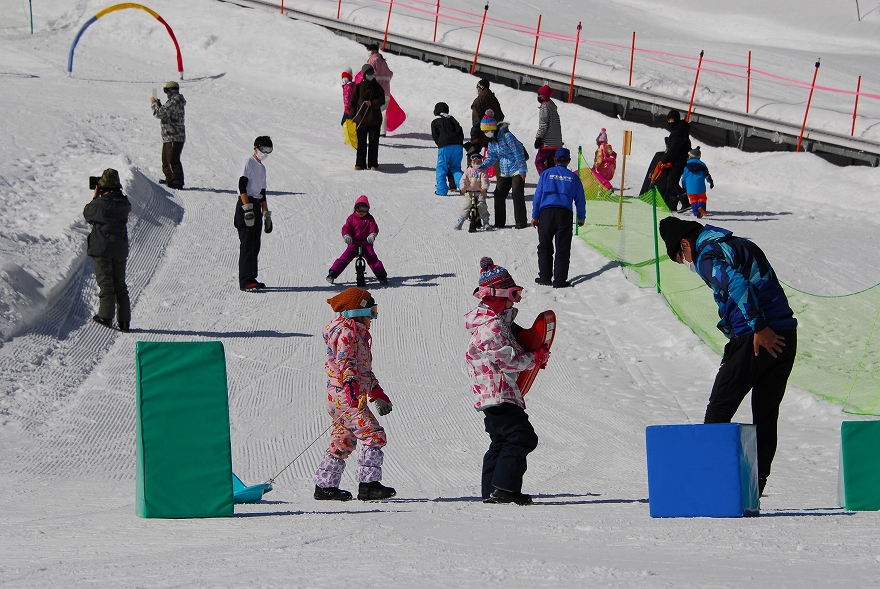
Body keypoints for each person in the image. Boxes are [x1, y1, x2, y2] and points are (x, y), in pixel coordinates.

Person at [659, 217, 798, 495]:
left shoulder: (705, 254)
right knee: (765, 417)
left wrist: (759, 327)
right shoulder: (739, 244)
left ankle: (712, 485)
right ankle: (753, 489)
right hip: (785, 336)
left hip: (755, 337)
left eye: (681, 258)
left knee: (719, 409)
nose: (688, 264)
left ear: (685, 244)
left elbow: (737, 284)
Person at [464, 257, 550, 505]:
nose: (516, 299)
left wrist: (532, 347)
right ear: (497, 294)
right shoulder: (490, 329)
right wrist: (534, 359)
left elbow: (514, 345)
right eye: (514, 293)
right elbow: (508, 361)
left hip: (498, 392)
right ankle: (505, 489)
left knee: (502, 439)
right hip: (497, 393)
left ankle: (492, 490)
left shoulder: (499, 324)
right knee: (521, 436)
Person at [314, 287, 396, 501]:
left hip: (338, 397)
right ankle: (369, 485)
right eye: (371, 311)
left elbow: (363, 369)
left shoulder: (355, 332)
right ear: (357, 311)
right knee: (373, 434)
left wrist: (376, 392)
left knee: (343, 440)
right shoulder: (348, 333)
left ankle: (325, 486)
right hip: (346, 395)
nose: (373, 318)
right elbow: (346, 363)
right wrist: (351, 388)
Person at [84, 168, 132, 331]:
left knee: (105, 283)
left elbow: (88, 214)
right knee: (120, 284)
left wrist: (95, 196)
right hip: (119, 248)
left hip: (103, 249)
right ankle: (124, 321)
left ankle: (105, 316)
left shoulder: (100, 204)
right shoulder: (124, 203)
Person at [531, 148, 586, 288]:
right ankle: (559, 280)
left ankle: (544, 277)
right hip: (564, 214)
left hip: (546, 213)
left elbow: (538, 196)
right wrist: (581, 216)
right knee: (562, 248)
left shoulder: (546, 174)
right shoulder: (574, 178)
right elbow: (580, 199)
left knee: (544, 246)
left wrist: (535, 215)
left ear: (555, 159)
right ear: (568, 161)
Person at [235, 136, 274, 292]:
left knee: (255, 245)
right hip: (246, 205)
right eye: (263, 150)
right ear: (255, 148)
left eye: (268, 151)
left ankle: (252, 278)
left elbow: (262, 192)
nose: (265, 153)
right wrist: (247, 209)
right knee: (247, 245)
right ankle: (245, 281)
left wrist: (266, 215)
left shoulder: (262, 168)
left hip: (256, 205)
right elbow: (242, 186)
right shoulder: (248, 163)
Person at [478, 111, 528, 229]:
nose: (486, 133)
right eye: (484, 131)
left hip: (516, 168)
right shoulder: (492, 141)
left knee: (516, 193)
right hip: (504, 171)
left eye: (486, 131)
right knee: (499, 194)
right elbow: (492, 157)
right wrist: (482, 167)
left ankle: (521, 222)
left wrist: (522, 169)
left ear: (492, 128)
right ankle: (500, 222)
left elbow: (518, 151)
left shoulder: (507, 136)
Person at [327, 195, 388, 285]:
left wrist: (372, 234)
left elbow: (373, 227)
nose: (361, 212)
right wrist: (346, 235)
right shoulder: (351, 218)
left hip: (366, 243)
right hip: (354, 243)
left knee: (373, 258)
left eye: (364, 209)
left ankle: (381, 275)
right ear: (355, 208)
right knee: (345, 257)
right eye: (359, 209)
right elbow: (346, 227)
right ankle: (333, 273)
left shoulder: (369, 219)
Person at [150, 81, 186, 189]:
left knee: (172, 160)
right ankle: (170, 178)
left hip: (174, 136)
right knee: (166, 160)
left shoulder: (175, 101)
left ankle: (177, 182)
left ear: (172, 90)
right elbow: (164, 112)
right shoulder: (173, 101)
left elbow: (158, 113)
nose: (166, 93)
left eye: (167, 91)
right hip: (169, 136)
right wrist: (158, 103)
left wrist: (154, 103)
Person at [349, 64, 385, 171]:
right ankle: (360, 163)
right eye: (368, 73)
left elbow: (382, 100)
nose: (371, 75)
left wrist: (372, 103)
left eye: (372, 73)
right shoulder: (358, 87)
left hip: (375, 120)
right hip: (361, 120)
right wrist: (352, 116)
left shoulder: (378, 87)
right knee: (361, 143)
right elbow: (353, 103)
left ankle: (373, 163)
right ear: (364, 74)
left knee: (374, 142)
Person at [658, 109, 692, 211]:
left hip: (678, 161)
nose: (670, 123)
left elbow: (675, 149)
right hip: (677, 160)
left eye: (672, 120)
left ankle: (685, 202)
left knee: (672, 183)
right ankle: (672, 205)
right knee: (672, 182)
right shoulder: (678, 130)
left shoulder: (678, 132)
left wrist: (664, 159)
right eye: (669, 120)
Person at [431, 102, 464, 196]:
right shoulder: (453, 120)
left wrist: (440, 144)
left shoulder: (436, 121)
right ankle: (463, 187)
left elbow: (435, 135)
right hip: (458, 145)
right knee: (456, 167)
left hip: (445, 146)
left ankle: (441, 189)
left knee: (441, 167)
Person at [454, 152, 491, 231]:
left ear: (481, 163)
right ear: (471, 162)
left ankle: (485, 221)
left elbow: (484, 181)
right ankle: (460, 221)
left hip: (480, 192)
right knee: (467, 205)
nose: (476, 164)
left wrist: (484, 188)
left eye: (478, 163)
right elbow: (463, 180)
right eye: (474, 162)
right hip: (469, 192)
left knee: (481, 204)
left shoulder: (482, 172)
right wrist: (463, 187)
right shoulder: (468, 171)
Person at [533, 85, 563, 175]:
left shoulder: (545, 107)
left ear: (545, 96)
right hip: (556, 143)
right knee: (551, 164)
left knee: (539, 162)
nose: (538, 96)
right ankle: (552, 180)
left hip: (547, 143)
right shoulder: (552, 107)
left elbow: (543, 124)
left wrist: (538, 137)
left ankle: (545, 179)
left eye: (540, 94)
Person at [366, 43, 394, 136]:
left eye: (369, 50)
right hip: (386, 91)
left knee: (374, 111)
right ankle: (382, 132)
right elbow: (390, 74)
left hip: (376, 91)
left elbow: (369, 75)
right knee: (383, 111)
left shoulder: (372, 61)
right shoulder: (383, 61)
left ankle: (374, 130)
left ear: (373, 51)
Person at [470, 79, 504, 153]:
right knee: (491, 156)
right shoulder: (494, 99)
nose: (477, 89)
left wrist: (474, 136)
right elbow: (500, 116)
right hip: (493, 133)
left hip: (481, 133)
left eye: (477, 87)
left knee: (472, 154)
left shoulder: (479, 100)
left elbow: (476, 120)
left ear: (481, 88)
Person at [680, 146, 714, 218]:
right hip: (700, 187)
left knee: (693, 200)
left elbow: (684, 178)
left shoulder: (686, 166)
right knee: (702, 198)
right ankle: (701, 207)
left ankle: (697, 213)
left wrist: (684, 186)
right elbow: (707, 175)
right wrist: (710, 182)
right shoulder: (703, 165)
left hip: (690, 189)